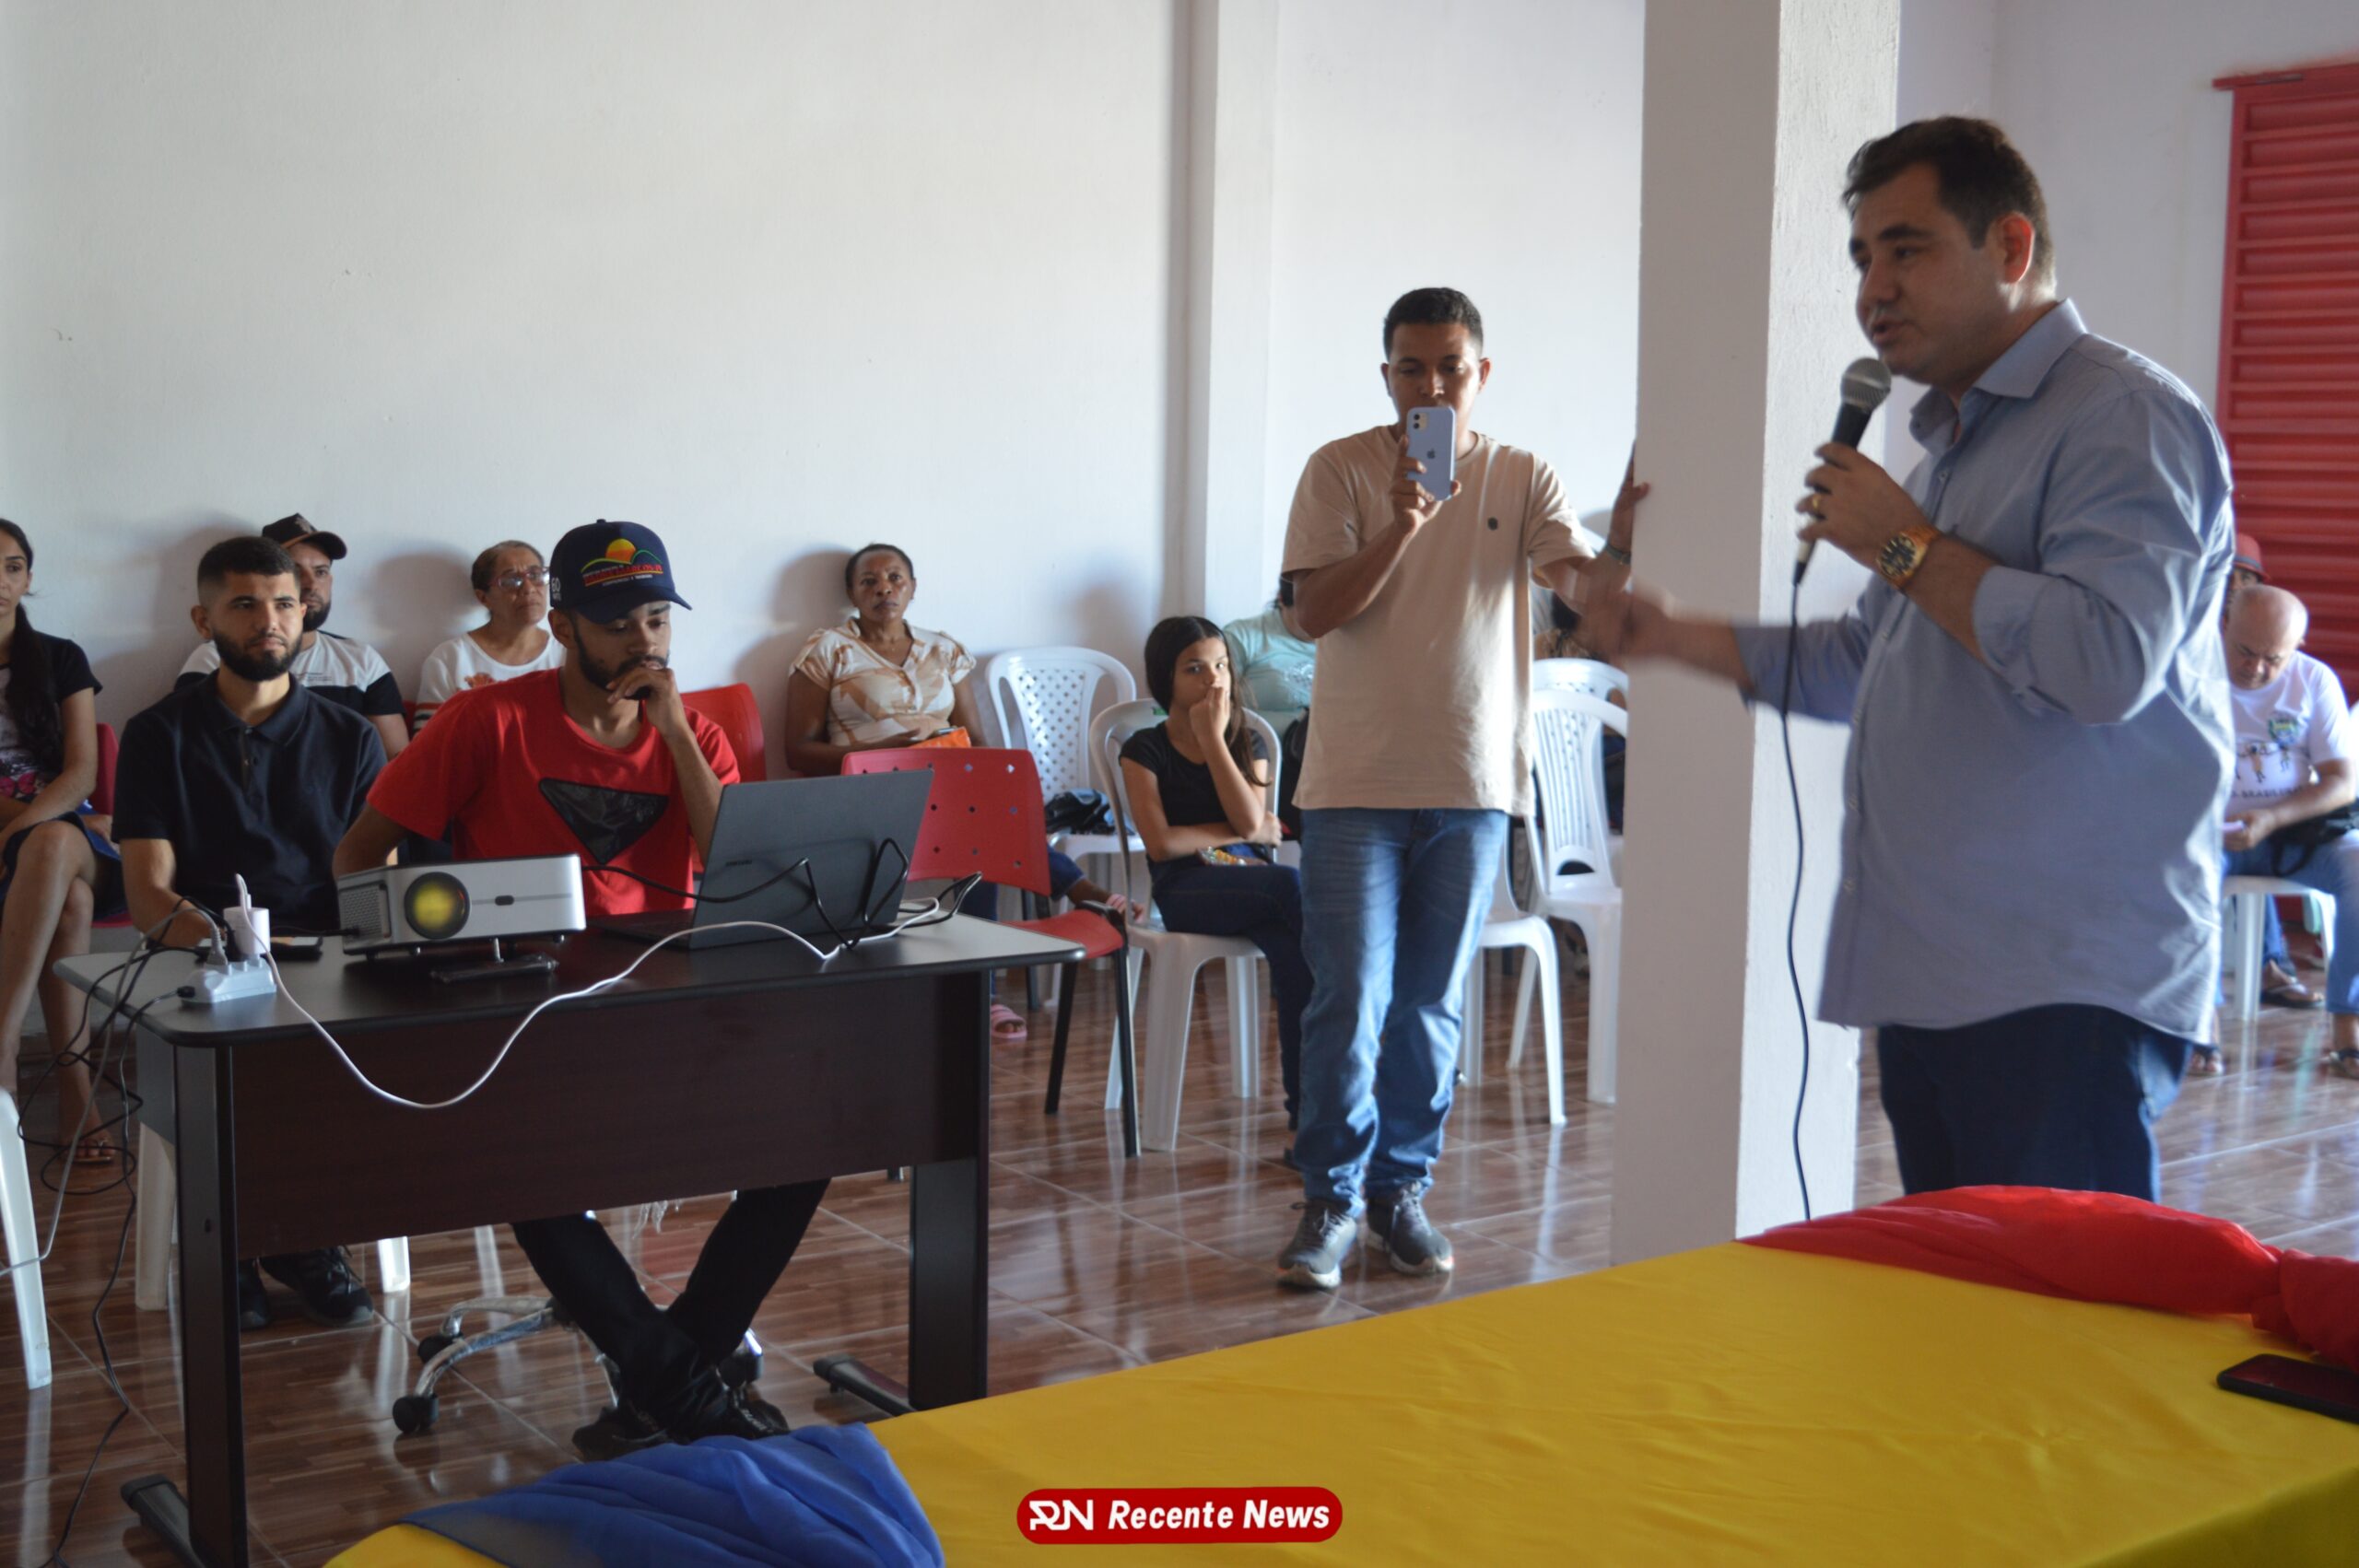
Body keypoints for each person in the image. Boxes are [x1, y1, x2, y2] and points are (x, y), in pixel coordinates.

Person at [1591, 117, 2232, 1201]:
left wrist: (1900, 543)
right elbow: (1869, 663)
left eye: (1906, 249)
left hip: (2059, 987)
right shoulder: (1953, 453)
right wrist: (1665, 638)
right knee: (1954, 1299)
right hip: (1936, 975)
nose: (1872, 290)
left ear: (2011, 247)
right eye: (1861, 258)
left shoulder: (2122, 418)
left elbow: (2105, 663)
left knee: (2047, 1301)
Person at [335, 520, 817, 1457]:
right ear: (562, 627)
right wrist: (415, 959)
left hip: (669, 1009)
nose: (643, 642)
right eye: (616, 624)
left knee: (807, 1140)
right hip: (526, 1019)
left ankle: (663, 1387)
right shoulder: (486, 721)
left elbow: (733, 868)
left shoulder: (697, 735)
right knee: (527, 1165)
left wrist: (673, 732)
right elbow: (359, 857)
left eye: (655, 620)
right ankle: (688, 1393)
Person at [1273, 286, 1637, 1291]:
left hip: (1473, 782)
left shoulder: (1522, 474)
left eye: (1450, 367)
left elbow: (1583, 591)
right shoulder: (1341, 469)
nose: (1431, 387)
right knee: (1348, 999)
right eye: (1411, 368)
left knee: (1429, 1005)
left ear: (1482, 372)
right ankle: (1331, 1200)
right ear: (1386, 374)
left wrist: (1622, 544)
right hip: (1353, 783)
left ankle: (1400, 1192)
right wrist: (1400, 526)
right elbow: (1311, 615)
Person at [115, 535, 385, 1330]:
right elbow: (149, 896)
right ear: (204, 621)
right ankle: (242, 1244)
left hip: (322, 958)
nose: (269, 621)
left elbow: (374, 888)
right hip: (203, 958)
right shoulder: (156, 734)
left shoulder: (351, 738)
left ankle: (294, 1237)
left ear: (305, 615)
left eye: (285, 604)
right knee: (231, 1047)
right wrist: (231, 950)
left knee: (350, 1048)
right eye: (245, 605)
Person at [783, 542, 1123, 1039]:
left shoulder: (942, 649)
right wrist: (886, 752)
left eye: (895, 578)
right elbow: (797, 751)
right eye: (869, 581)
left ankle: (983, 994)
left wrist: (968, 772)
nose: (884, 589)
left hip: (948, 786)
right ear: (852, 594)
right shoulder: (827, 649)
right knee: (976, 827)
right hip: (870, 792)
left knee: (980, 821)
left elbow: (976, 740)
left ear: (913, 588)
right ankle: (1075, 892)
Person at [1121, 617, 1312, 1149]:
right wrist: (1242, 826)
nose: (1213, 679)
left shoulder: (1247, 739)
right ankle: (1347, 1073)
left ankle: (1308, 1111)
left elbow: (1251, 827)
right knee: (1292, 888)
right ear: (1165, 677)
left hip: (1253, 884)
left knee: (1297, 958)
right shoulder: (1143, 749)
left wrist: (1216, 743)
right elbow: (1163, 844)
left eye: (1221, 665)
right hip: (1186, 890)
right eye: (1195, 668)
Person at [0, 519, 126, 1168]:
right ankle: (77, 1090)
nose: (1, 581)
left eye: (12, 566)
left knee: (50, 848)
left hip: (61, 832)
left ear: (28, 577)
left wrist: (17, 830)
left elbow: (81, 772)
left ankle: (2, 1048)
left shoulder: (60, 657)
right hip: (40, 840)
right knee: (71, 903)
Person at [2217, 585, 2358, 1080]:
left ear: (2296, 648)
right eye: (2245, 651)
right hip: (2208, 833)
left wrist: (2272, 819)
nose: (2256, 668)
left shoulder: (2313, 679)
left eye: (2273, 658)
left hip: (2295, 834)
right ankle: (2196, 1024)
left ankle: (2348, 1025)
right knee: (2176, 878)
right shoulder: (2189, 668)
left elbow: (2342, 781)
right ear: (2225, 627)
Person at [177, 515, 409, 761]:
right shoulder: (214, 658)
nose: (311, 584)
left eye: (321, 572)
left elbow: (397, 764)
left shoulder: (361, 660)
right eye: (296, 571)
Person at [2214, 532, 2318, 1014]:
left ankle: (2271, 964)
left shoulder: (2286, 659)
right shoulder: (2191, 649)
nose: (2234, 589)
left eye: (2246, 580)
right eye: (2227, 580)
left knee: (2251, 834)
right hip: (2196, 811)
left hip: (2263, 817)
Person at [413, 540, 565, 726]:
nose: (529, 588)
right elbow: (429, 740)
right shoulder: (450, 659)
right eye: (511, 580)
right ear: (483, 598)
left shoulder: (569, 653)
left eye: (535, 575)